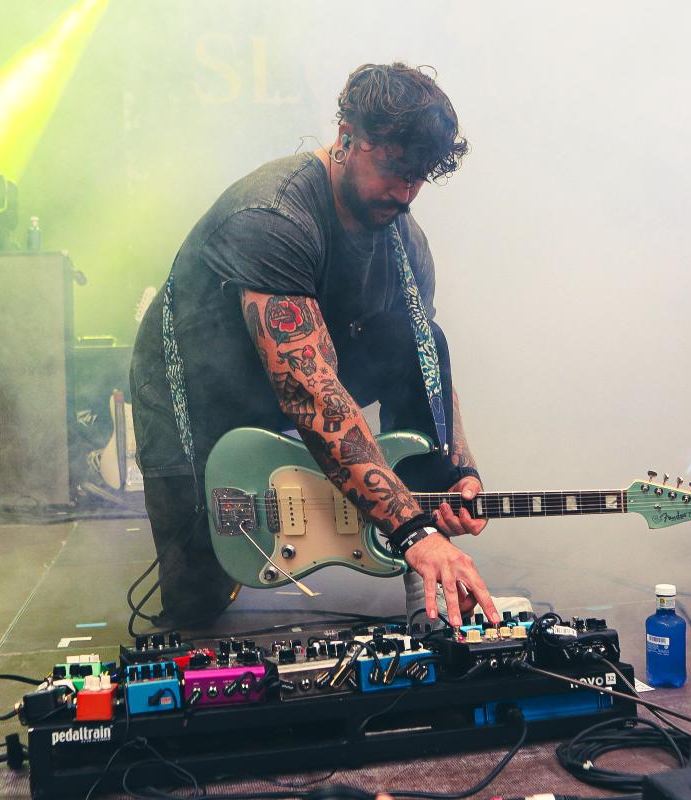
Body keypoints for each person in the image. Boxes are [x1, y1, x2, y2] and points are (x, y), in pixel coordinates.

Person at [130, 63, 508, 633]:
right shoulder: (273, 214)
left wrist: (460, 467)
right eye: (394, 169)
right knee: (199, 607)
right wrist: (411, 530)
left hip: (309, 373)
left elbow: (427, 369)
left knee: (420, 335)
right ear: (346, 138)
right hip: (199, 396)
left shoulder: (406, 243)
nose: (406, 192)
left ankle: (425, 587)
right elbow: (310, 393)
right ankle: (416, 539)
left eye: (419, 177)